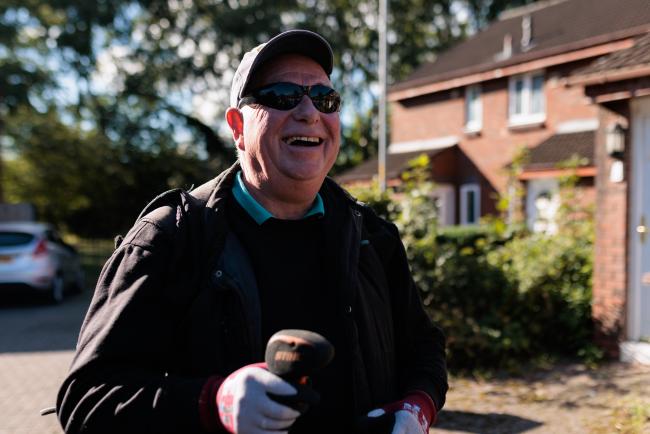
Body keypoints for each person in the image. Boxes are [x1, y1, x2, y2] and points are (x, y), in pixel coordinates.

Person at [56, 29, 448, 434]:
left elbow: (424, 348)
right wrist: (212, 403)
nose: (309, 112)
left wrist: (417, 408)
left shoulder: (373, 236)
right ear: (237, 126)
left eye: (325, 99)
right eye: (282, 96)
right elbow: (87, 400)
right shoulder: (170, 239)